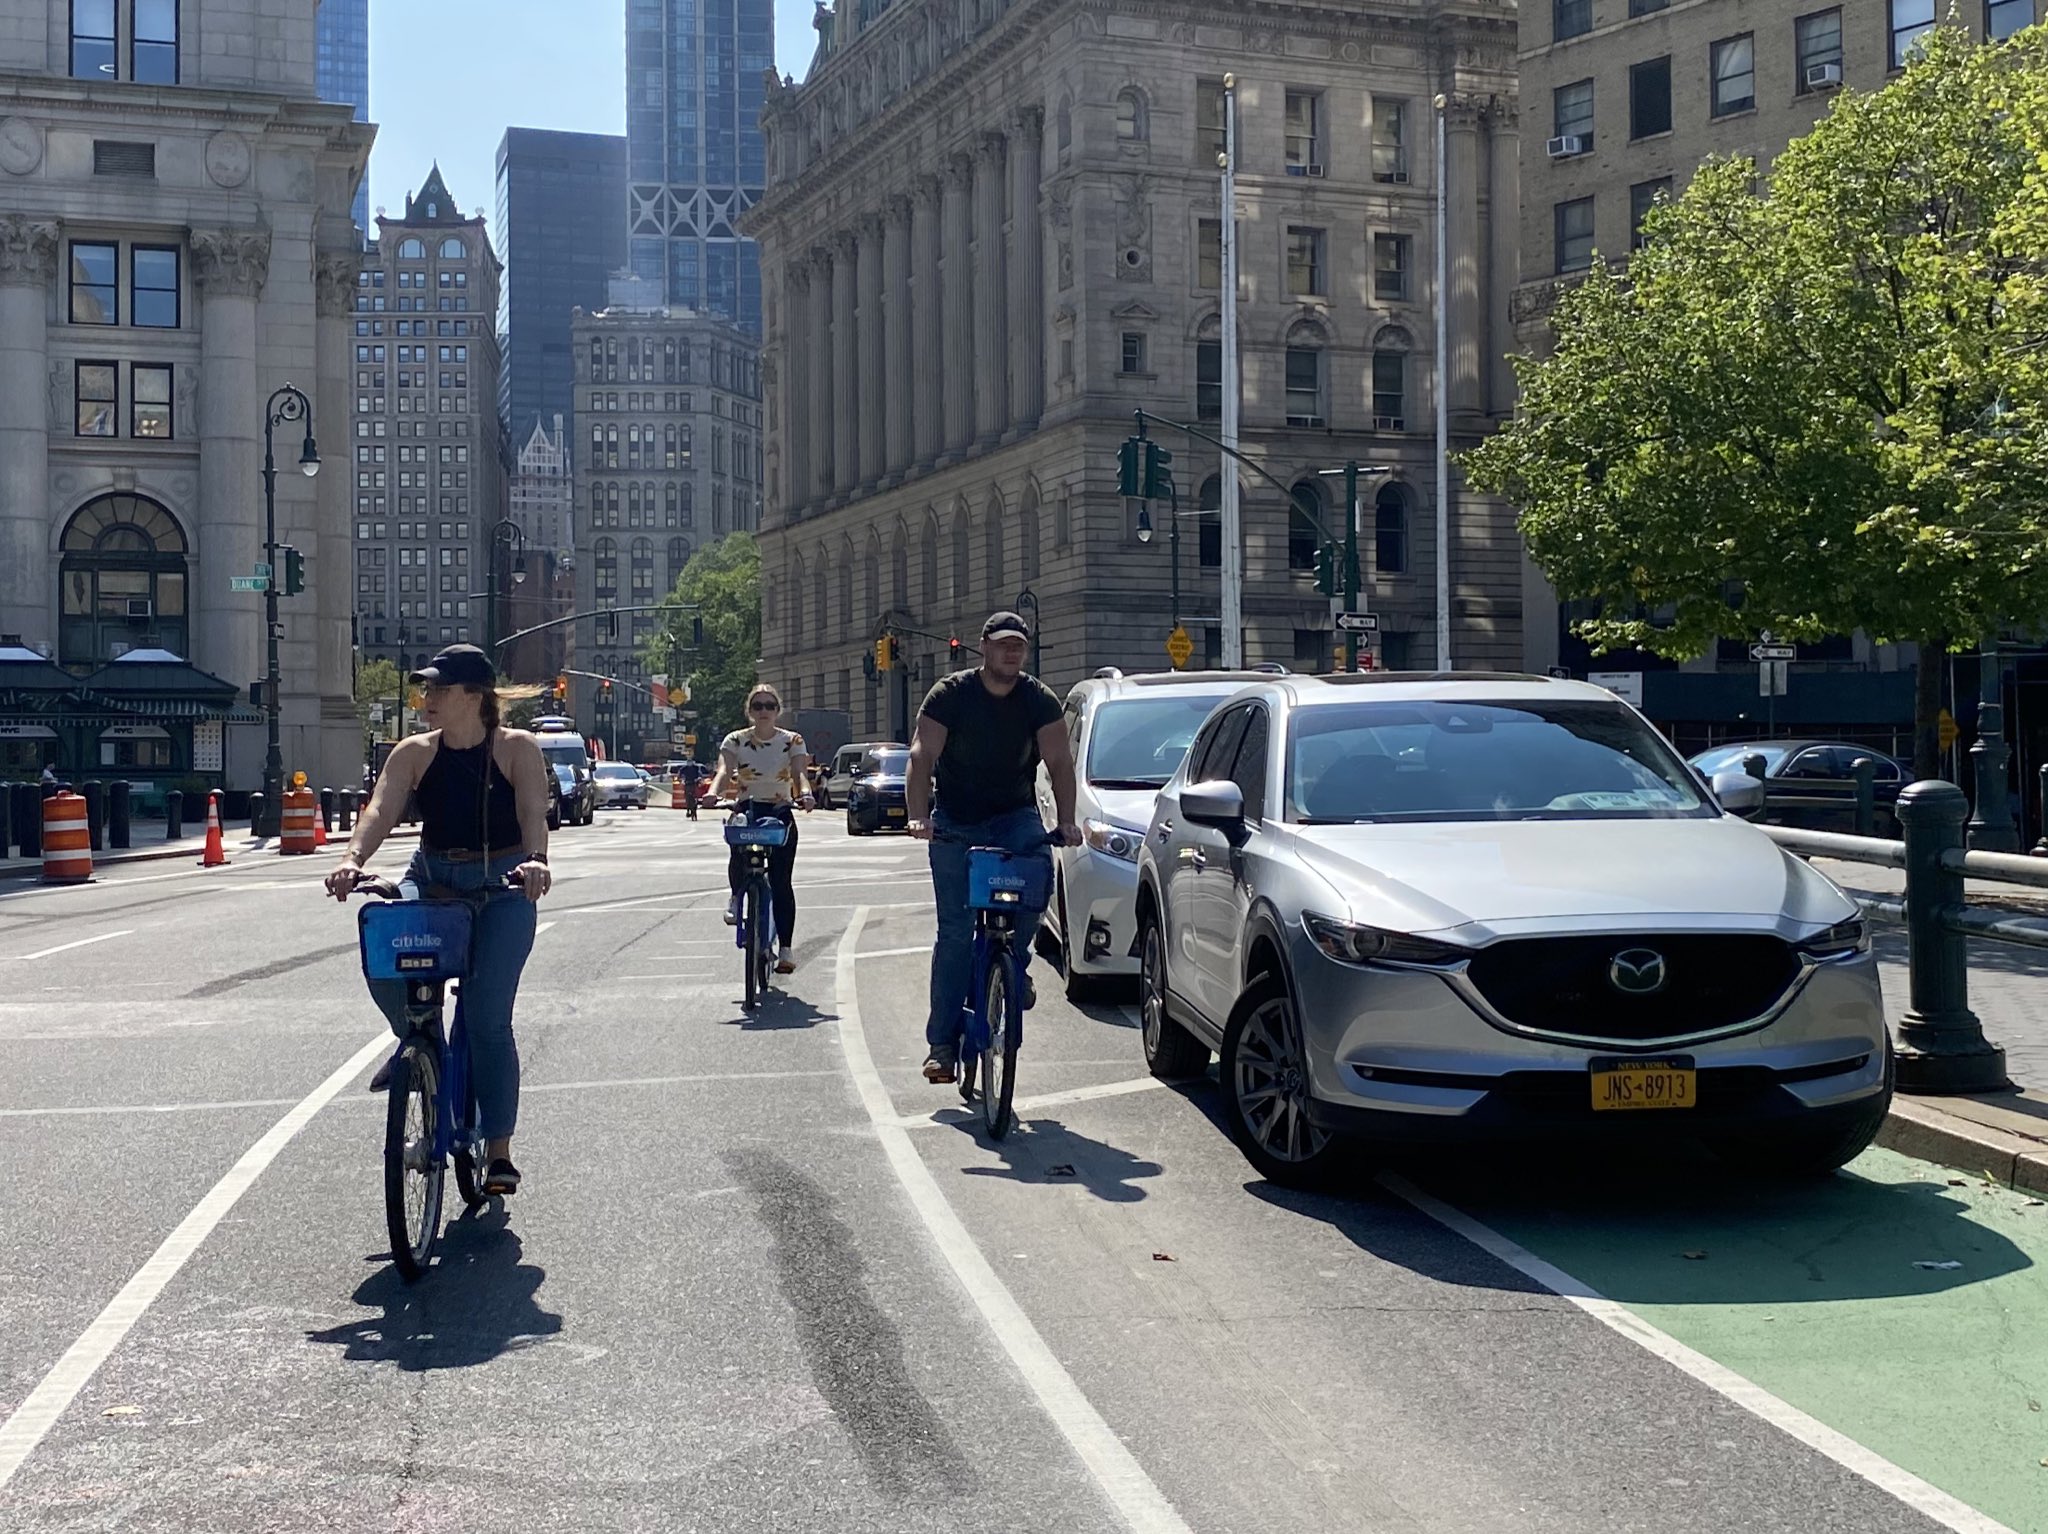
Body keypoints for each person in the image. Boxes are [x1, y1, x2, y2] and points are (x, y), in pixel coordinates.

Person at [325, 645, 554, 1197]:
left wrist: (537, 863)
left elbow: (531, 813)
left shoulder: (516, 748)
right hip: (431, 876)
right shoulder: (414, 752)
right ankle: (417, 1043)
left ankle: (498, 1151)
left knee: (486, 1019)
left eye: (438, 690)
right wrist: (353, 860)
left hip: (503, 886)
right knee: (382, 933)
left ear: (473, 697)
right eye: (425, 689)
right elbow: (380, 807)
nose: (425, 699)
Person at [906, 611, 1081, 1084]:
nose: (1011, 652)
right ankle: (941, 1046)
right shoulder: (951, 694)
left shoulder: (1038, 699)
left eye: (1019, 645)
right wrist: (919, 816)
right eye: (1003, 644)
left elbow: (1060, 762)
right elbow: (922, 755)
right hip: (956, 823)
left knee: (1038, 867)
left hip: (1012, 816)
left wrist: (1066, 822)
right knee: (956, 934)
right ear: (983, 647)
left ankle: (1015, 963)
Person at [711, 684, 813, 974]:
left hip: (780, 809)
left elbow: (799, 774)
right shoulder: (736, 740)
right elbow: (723, 771)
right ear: (750, 711)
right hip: (748, 806)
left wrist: (805, 794)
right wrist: (713, 793)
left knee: (781, 882)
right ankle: (735, 896)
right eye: (758, 706)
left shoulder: (792, 740)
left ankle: (786, 950)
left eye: (770, 706)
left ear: (778, 710)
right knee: (737, 838)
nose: (764, 711)